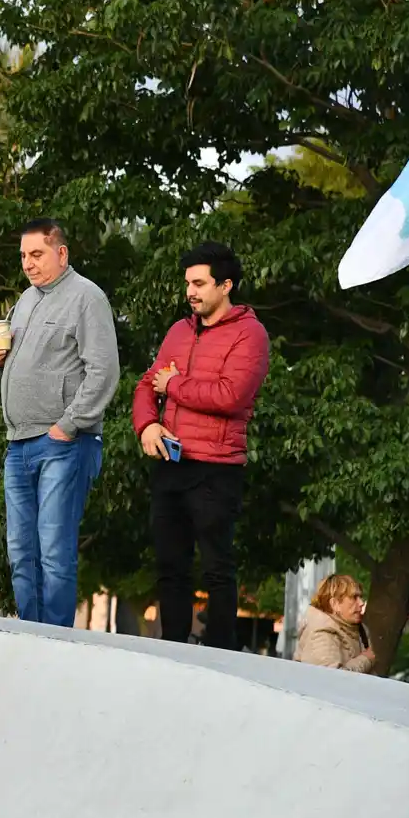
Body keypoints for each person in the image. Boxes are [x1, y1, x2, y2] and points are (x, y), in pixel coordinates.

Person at [0, 219, 119, 627]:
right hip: (18, 444)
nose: (28, 263)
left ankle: (57, 643)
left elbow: (104, 370)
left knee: (54, 553)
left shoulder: (86, 297)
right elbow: (21, 367)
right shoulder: (24, 301)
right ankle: (31, 636)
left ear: (62, 253)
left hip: (63, 443)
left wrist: (68, 426)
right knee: (21, 552)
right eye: (23, 256)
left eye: (37, 254)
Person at [133, 242, 269, 650]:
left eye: (199, 283)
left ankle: (222, 657)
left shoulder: (250, 334)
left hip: (216, 467)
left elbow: (231, 395)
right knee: (169, 566)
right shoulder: (179, 330)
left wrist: (172, 385)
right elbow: (146, 385)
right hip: (171, 462)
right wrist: (147, 427)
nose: (190, 291)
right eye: (187, 283)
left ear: (226, 285)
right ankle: (172, 648)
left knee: (216, 568)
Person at [295, 574, 375, 673]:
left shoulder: (358, 629)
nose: (361, 603)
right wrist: (365, 659)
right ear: (335, 604)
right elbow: (331, 680)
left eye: (360, 597)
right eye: (354, 597)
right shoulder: (322, 633)